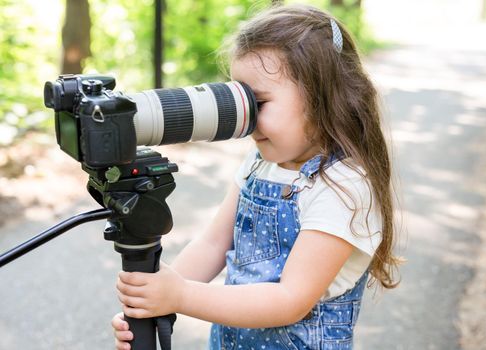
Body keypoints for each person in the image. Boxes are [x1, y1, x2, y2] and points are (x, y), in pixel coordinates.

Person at [112, 4, 400, 349]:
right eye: (240, 101)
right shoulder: (259, 163)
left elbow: (289, 299)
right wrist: (157, 296)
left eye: (259, 102)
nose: (245, 119)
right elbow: (213, 243)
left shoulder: (343, 187)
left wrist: (182, 296)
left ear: (324, 96)